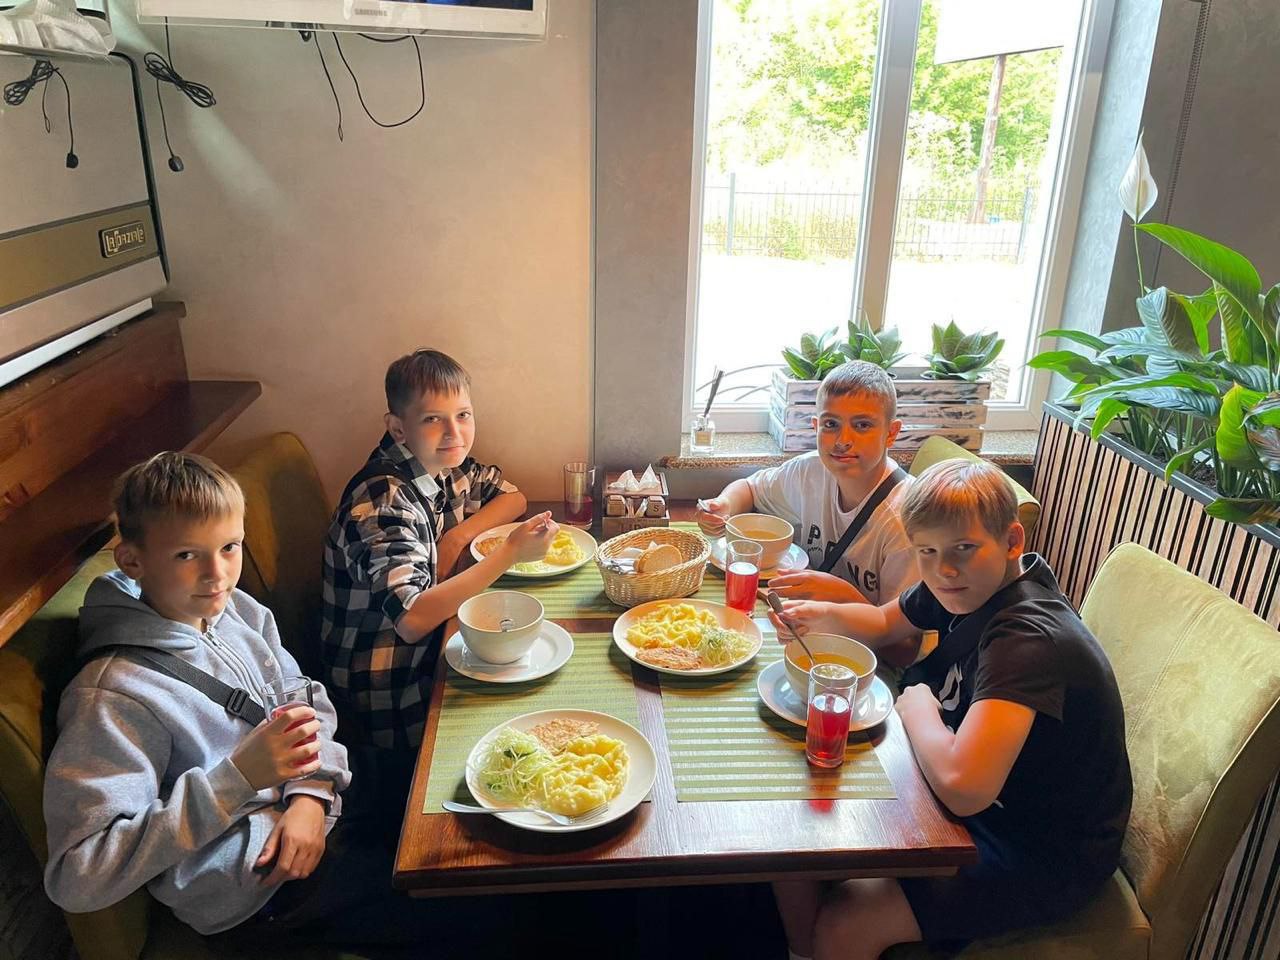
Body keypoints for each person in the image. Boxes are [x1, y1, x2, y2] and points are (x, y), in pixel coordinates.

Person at [771, 459, 1132, 960]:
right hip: (982, 797)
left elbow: (964, 789)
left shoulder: (1026, 640)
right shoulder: (965, 585)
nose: (943, 569)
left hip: (1038, 846)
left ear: (1011, 541)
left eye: (964, 548)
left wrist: (918, 709)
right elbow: (883, 622)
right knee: (796, 843)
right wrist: (821, 615)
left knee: (847, 923)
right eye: (927, 551)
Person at [43, 452, 352, 937]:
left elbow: (301, 697)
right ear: (132, 561)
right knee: (455, 902)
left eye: (229, 547)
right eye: (187, 555)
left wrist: (310, 795)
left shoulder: (236, 611)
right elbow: (78, 876)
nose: (217, 574)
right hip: (263, 889)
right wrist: (236, 779)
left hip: (317, 808)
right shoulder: (113, 694)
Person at [321, 348, 557, 757]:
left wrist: (456, 537)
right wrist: (509, 553)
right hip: (391, 688)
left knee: (533, 662)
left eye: (463, 415)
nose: (454, 432)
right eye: (433, 419)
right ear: (398, 428)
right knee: (530, 706)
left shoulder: (443, 466)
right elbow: (412, 620)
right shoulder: (381, 503)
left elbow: (513, 498)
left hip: (430, 651)